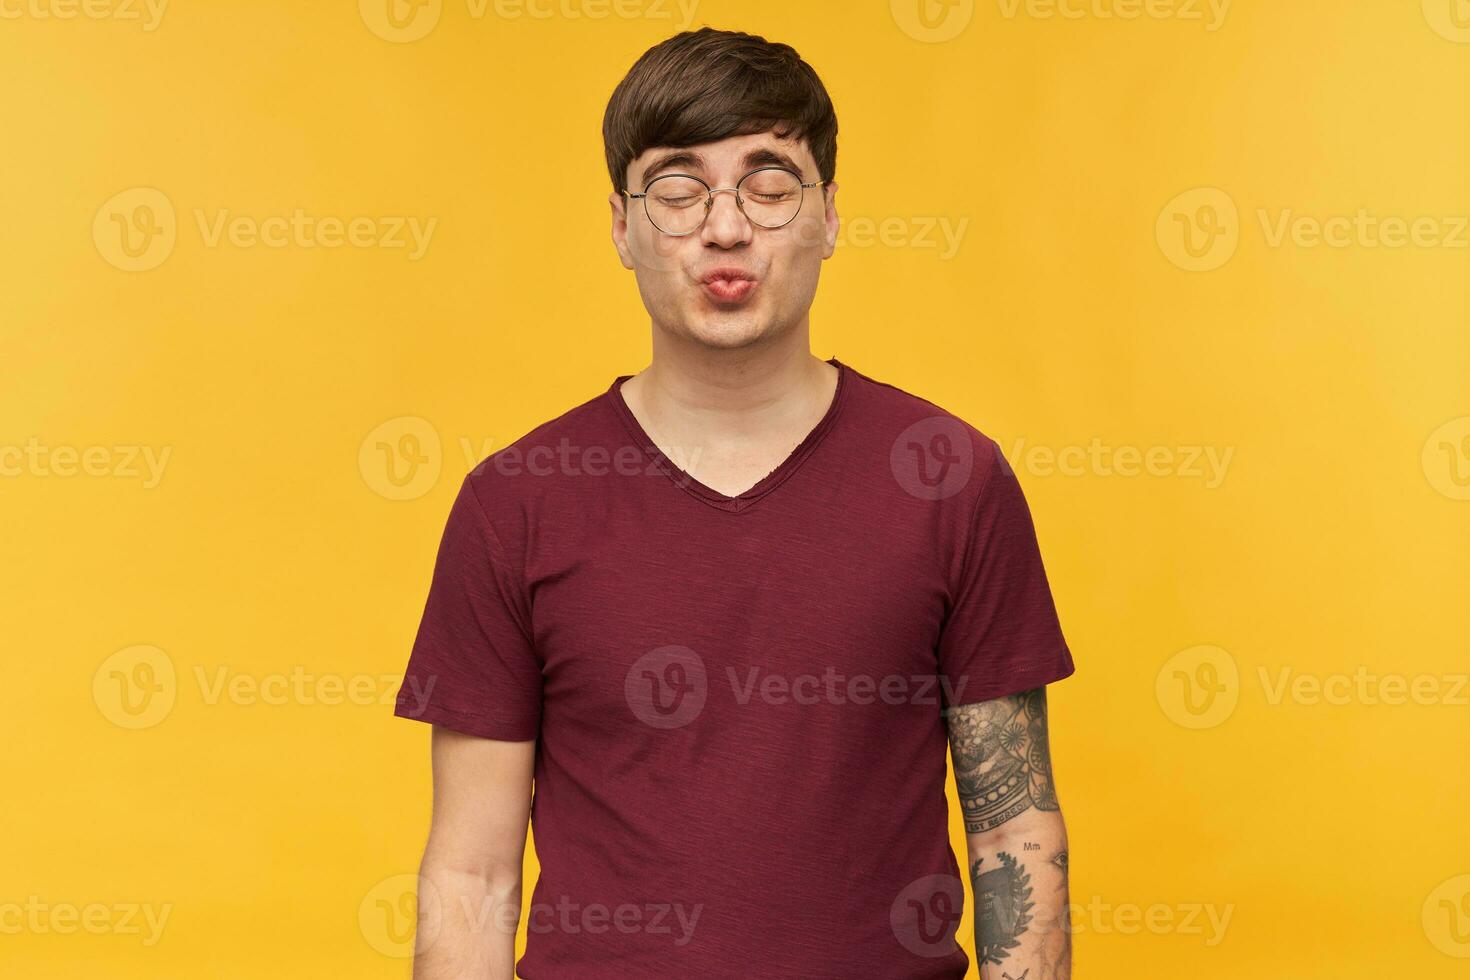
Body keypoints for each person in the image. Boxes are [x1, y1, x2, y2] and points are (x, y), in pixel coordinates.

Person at [394, 26, 1075, 980]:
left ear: (829, 217)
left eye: (769, 184)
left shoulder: (952, 479)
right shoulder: (516, 502)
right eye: (676, 190)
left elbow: (1015, 834)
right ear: (623, 226)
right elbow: (470, 875)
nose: (725, 227)